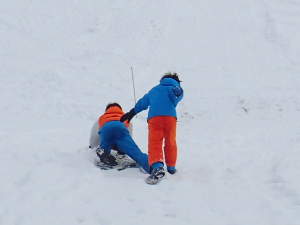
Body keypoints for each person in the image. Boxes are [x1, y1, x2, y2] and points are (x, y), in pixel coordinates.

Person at [120, 73, 183, 182]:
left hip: (155, 118)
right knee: (170, 141)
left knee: (155, 142)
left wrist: (131, 113)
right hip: (170, 118)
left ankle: (158, 167)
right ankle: (171, 167)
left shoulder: (154, 90)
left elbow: (142, 103)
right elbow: (177, 97)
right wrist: (178, 91)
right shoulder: (175, 88)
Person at [93, 102, 150, 173]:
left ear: (107, 110)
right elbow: (129, 132)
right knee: (135, 152)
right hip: (120, 129)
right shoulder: (124, 116)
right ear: (120, 109)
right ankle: (151, 165)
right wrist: (123, 150)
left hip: (106, 129)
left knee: (105, 144)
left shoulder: (101, 117)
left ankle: (103, 151)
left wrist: (92, 146)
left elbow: (95, 135)